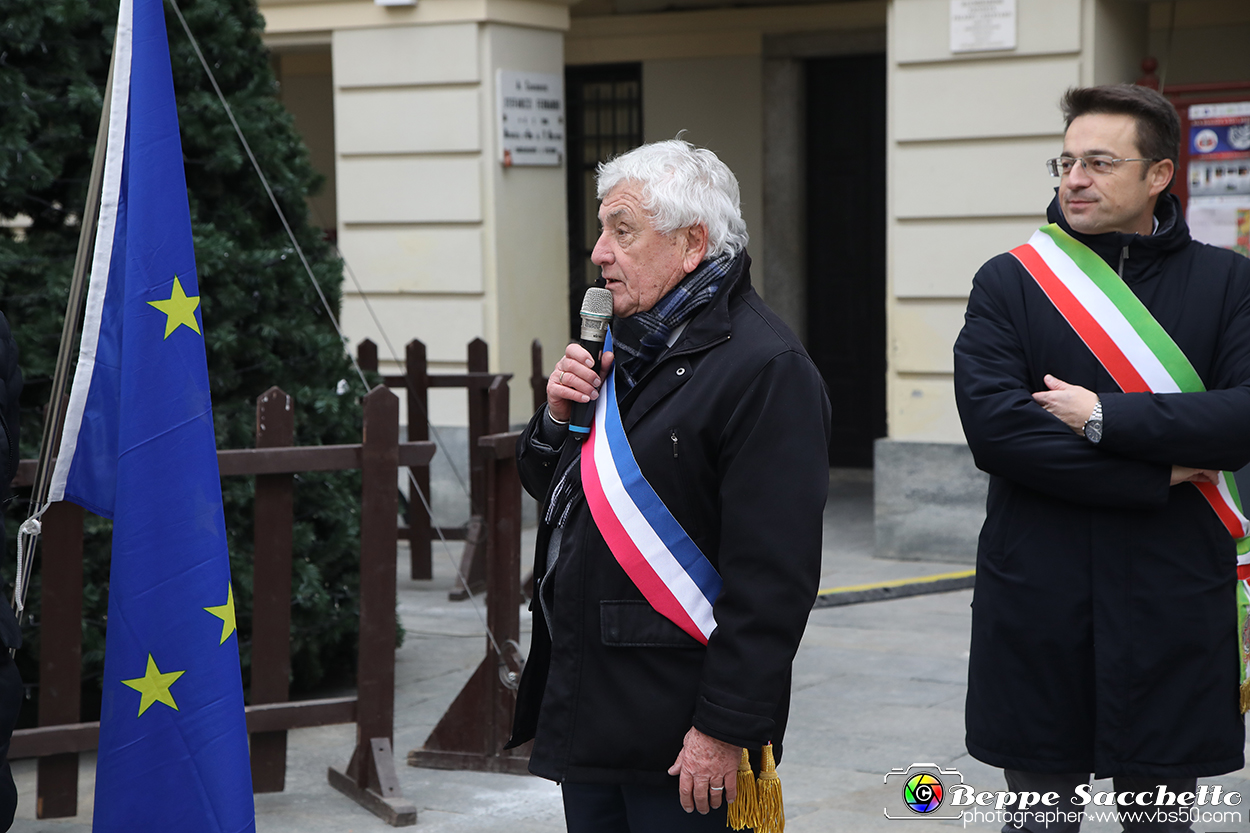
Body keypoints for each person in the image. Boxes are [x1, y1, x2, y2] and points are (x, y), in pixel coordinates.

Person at [506, 139, 831, 831]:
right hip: (592, 705)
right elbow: (558, 492)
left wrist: (723, 728)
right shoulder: (627, 341)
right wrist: (555, 420)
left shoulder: (765, 366)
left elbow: (773, 581)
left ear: (691, 244)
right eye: (602, 229)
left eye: (622, 231)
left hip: (683, 735)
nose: (599, 251)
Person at [954, 84, 1250, 833]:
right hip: (1041, 603)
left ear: (1158, 175)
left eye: (1098, 162)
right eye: (1066, 161)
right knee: (1039, 820)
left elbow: (1241, 419)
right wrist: (1155, 468)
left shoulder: (1227, 282)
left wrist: (1102, 415)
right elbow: (997, 431)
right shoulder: (1010, 282)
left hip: (1171, 601)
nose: (1073, 179)